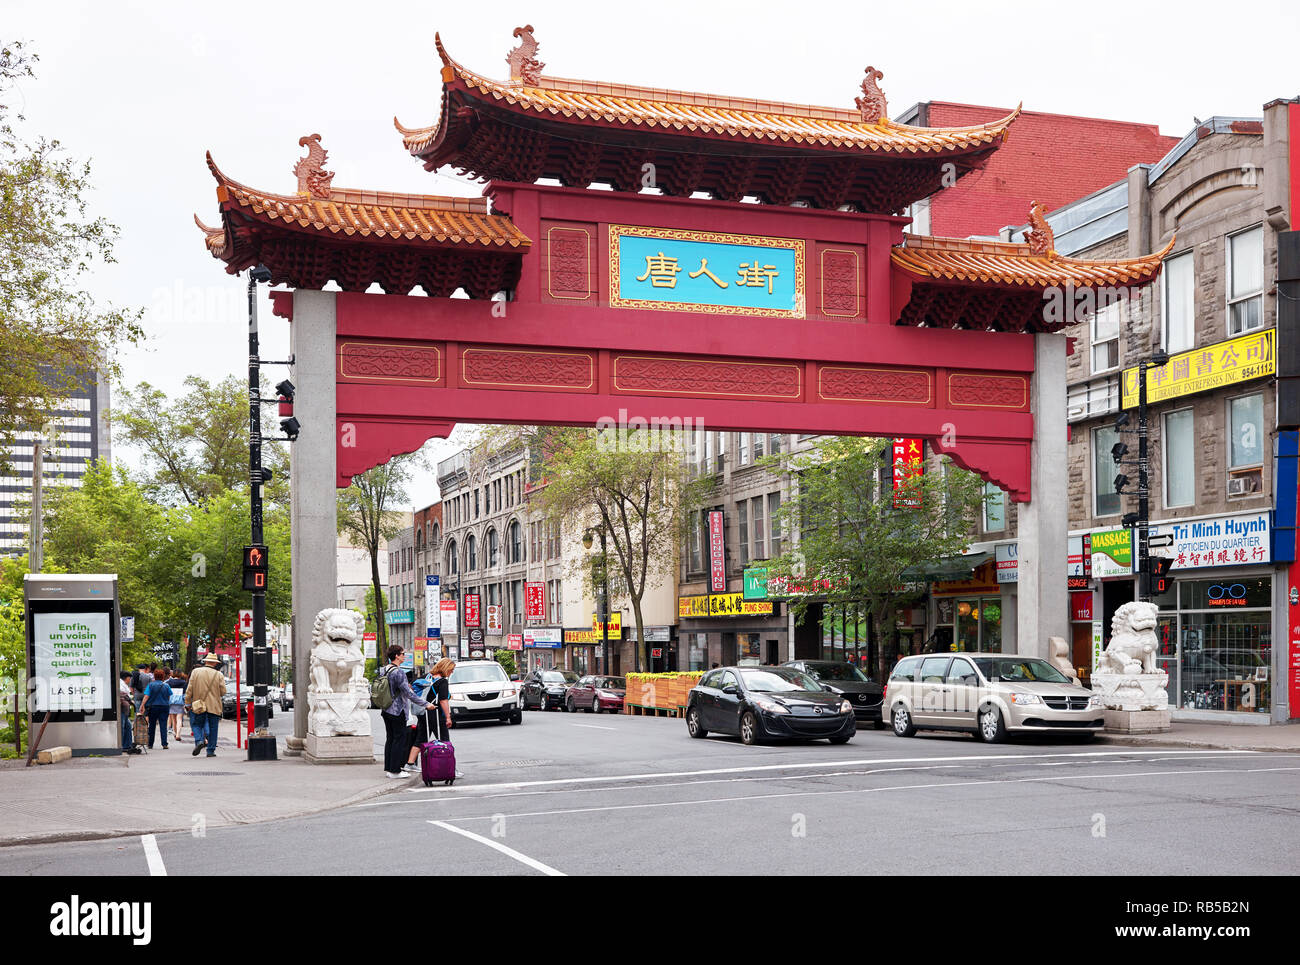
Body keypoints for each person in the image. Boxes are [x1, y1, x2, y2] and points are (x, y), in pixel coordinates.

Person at [380, 645, 434, 779]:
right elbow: (409, 693)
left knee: (391, 738)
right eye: (403, 654)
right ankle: (395, 771)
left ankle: (390, 767)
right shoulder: (398, 672)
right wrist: (426, 704)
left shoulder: (384, 670)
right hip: (397, 710)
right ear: (397, 656)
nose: (404, 656)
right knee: (399, 739)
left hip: (386, 709)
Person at [186, 654, 226, 757]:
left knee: (196, 724)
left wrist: (187, 702)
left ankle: (199, 740)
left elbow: (189, 689)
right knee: (213, 728)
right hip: (214, 706)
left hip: (198, 705)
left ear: (206, 661)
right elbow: (223, 692)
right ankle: (210, 750)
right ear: (215, 663)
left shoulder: (196, 672)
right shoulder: (219, 675)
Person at [140, 668, 174, 749]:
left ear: (154, 676)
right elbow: (169, 696)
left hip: (153, 707)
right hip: (164, 707)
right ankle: (164, 744)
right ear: (162, 676)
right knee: (163, 725)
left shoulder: (150, 685)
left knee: (152, 725)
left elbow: (146, 696)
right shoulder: (166, 685)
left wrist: (142, 705)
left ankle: (150, 744)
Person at [118, 671, 141, 754]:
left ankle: (127, 745)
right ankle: (123, 745)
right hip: (122, 709)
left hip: (124, 709)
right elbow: (122, 695)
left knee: (127, 726)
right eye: (129, 678)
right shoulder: (120, 684)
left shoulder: (122, 684)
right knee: (123, 726)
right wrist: (130, 700)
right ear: (126, 678)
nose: (130, 680)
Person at [168, 670, 187, 740]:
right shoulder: (184, 683)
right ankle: (178, 734)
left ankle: (175, 733)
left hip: (171, 702)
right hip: (180, 702)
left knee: (173, 720)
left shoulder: (169, 682)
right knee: (179, 719)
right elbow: (185, 694)